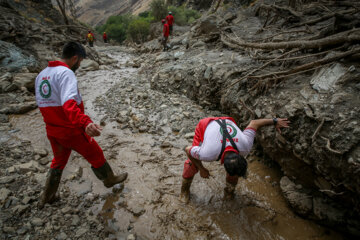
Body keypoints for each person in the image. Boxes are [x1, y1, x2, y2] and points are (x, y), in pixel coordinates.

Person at [35, 42, 128, 209]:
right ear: (75, 58)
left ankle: (47, 197)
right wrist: (85, 122)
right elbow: (69, 105)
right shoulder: (66, 73)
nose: (79, 65)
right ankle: (109, 180)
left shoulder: (41, 75)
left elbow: (43, 104)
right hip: (70, 130)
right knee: (95, 153)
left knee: (58, 161)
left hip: (52, 129)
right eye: (80, 62)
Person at [180, 117, 290, 203]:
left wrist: (275, 121)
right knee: (191, 164)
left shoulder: (245, 146)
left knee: (234, 171)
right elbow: (187, 150)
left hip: (227, 121)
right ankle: (184, 191)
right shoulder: (208, 153)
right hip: (206, 125)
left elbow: (254, 123)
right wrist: (202, 168)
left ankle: (229, 192)